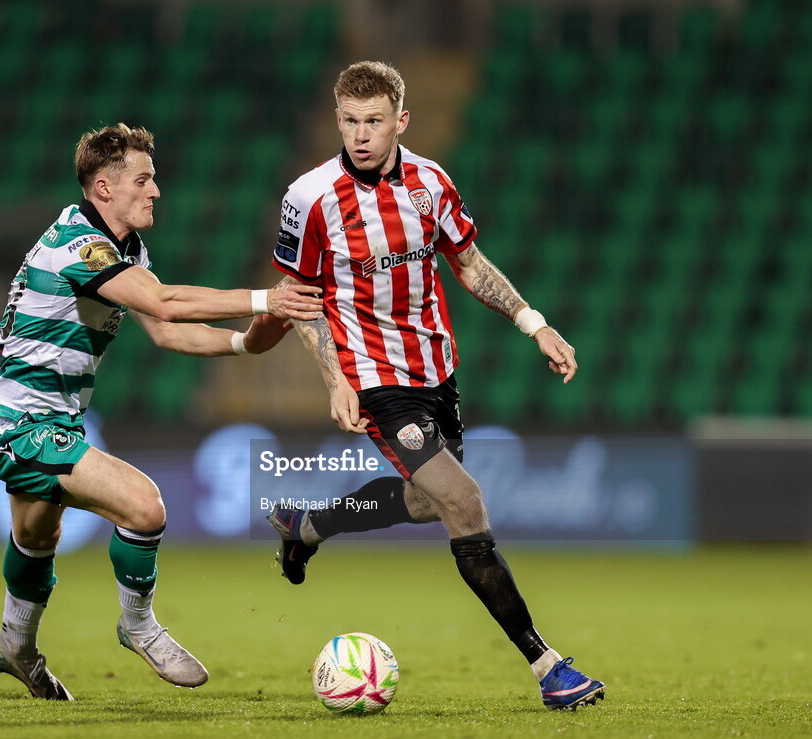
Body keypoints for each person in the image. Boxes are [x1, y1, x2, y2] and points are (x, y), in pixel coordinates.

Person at [250, 61, 605, 711]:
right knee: (464, 502)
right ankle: (548, 665)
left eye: (374, 122)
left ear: (400, 121)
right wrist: (336, 379)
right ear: (338, 119)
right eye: (350, 121)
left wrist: (535, 323)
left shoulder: (431, 183)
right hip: (374, 377)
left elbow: (467, 261)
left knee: (422, 502)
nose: (361, 135)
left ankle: (308, 525)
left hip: (436, 369)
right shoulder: (310, 196)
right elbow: (298, 296)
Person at [0, 123, 322, 700]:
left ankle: (15, 645)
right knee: (145, 506)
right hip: (18, 423)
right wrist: (266, 298)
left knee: (37, 535)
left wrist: (243, 343)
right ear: (104, 189)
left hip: (47, 418)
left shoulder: (123, 247)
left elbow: (166, 332)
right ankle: (137, 626)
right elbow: (163, 300)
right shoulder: (78, 244)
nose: (156, 190)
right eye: (144, 179)